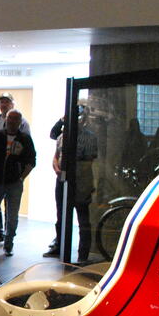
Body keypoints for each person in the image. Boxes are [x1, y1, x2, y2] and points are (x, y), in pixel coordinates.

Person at [0, 109, 37, 257]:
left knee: (12, 216)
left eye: (15, 119)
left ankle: (8, 244)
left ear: (20, 122)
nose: (12, 121)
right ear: (6, 119)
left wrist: (21, 178)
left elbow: (31, 161)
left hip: (14, 183)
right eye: (10, 118)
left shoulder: (25, 139)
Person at [50, 109, 98, 264]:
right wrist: (58, 170)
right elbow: (56, 156)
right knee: (61, 216)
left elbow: (87, 163)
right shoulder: (62, 136)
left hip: (81, 182)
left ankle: (83, 254)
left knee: (83, 219)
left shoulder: (89, 137)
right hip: (63, 181)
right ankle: (60, 247)